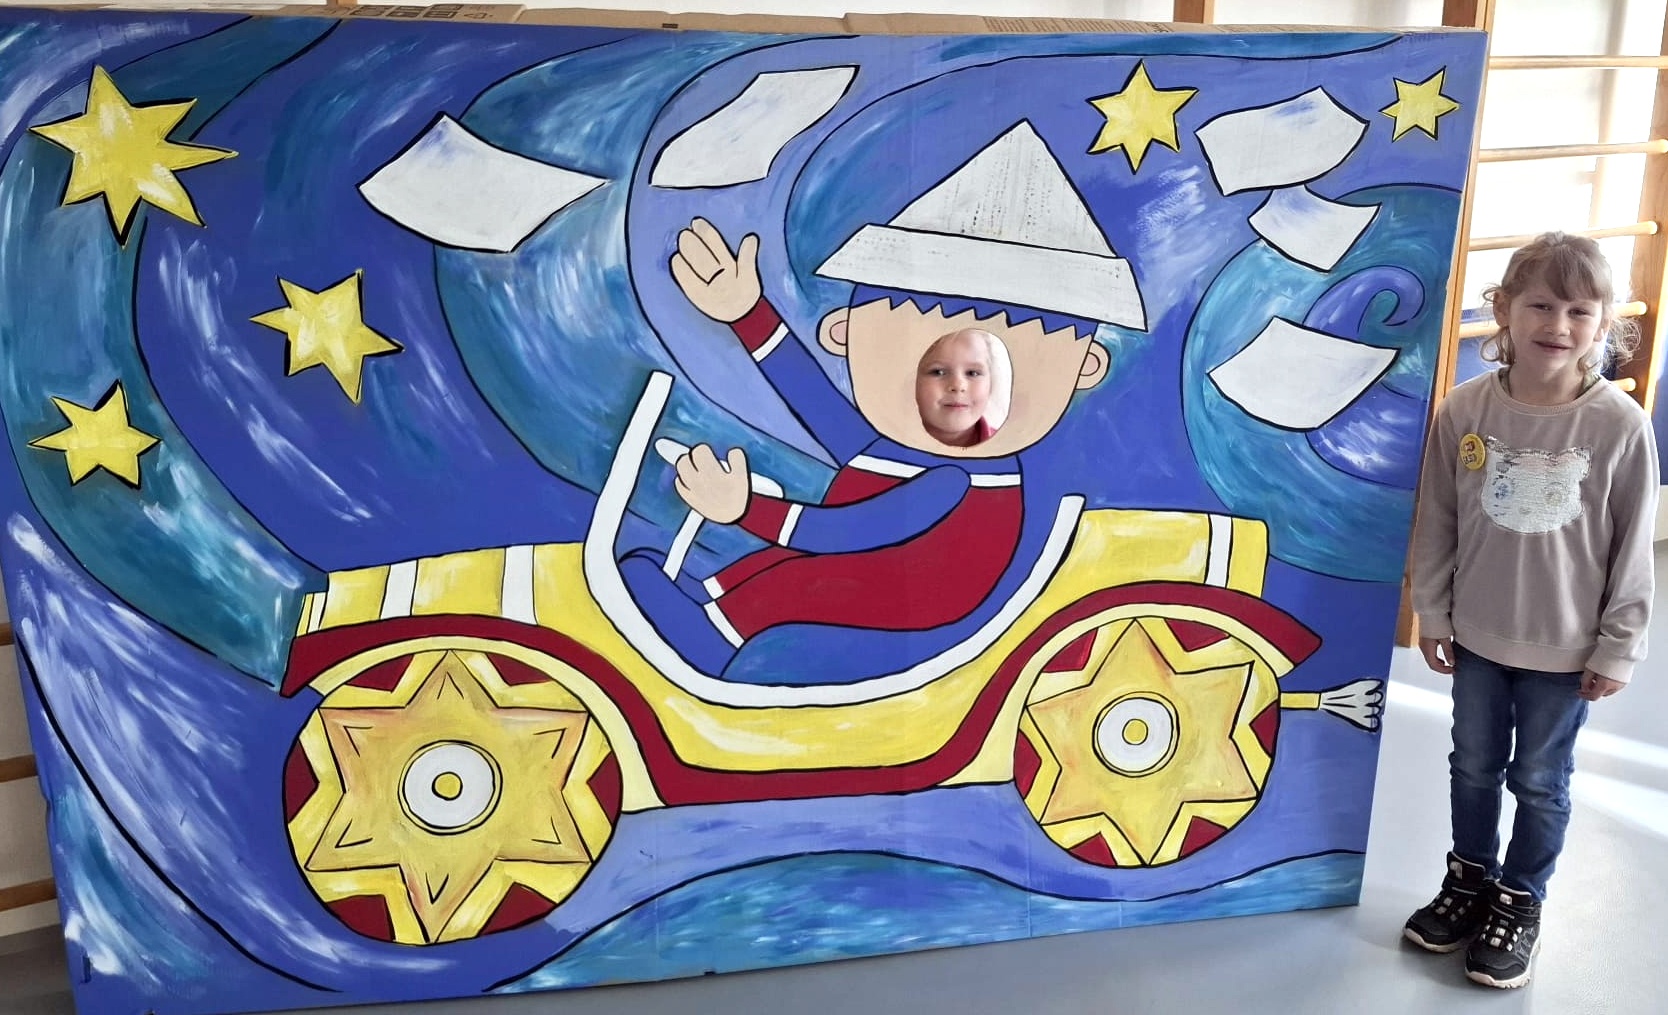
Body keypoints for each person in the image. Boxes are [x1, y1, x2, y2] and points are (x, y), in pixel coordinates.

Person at [1404, 232, 1659, 989]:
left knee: (1541, 780)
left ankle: (1520, 899)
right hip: (1478, 639)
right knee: (1472, 766)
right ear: (1505, 310)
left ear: (1603, 323)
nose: (1559, 324)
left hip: (1566, 651)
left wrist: (1618, 646)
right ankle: (1469, 878)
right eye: (1542, 305)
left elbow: (1633, 546)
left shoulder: (1618, 425)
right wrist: (1432, 611)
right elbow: (1438, 519)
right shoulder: (1465, 409)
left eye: (1580, 311)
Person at [914, 327, 1004, 447]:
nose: (958, 386)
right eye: (938, 372)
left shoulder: (1010, 449)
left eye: (972, 373)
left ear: (991, 383)